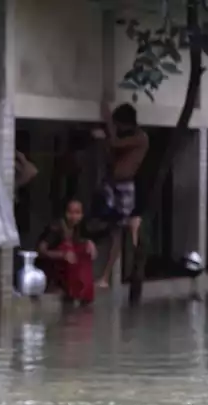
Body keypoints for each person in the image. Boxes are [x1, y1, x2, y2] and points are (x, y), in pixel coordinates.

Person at [92, 102, 148, 288]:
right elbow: (113, 149)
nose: (117, 128)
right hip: (113, 184)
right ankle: (104, 275)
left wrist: (108, 121)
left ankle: (108, 276)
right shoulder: (129, 138)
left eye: (119, 125)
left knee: (118, 233)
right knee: (105, 226)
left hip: (125, 188)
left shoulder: (141, 137)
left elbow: (115, 143)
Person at [37, 199, 97, 306]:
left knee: (85, 252)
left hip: (69, 268)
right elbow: (41, 251)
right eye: (71, 212)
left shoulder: (79, 228)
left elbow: (81, 244)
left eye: (77, 213)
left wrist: (89, 243)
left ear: (82, 215)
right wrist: (62, 255)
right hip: (51, 266)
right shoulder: (56, 228)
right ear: (65, 213)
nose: (74, 216)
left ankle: (83, 294)